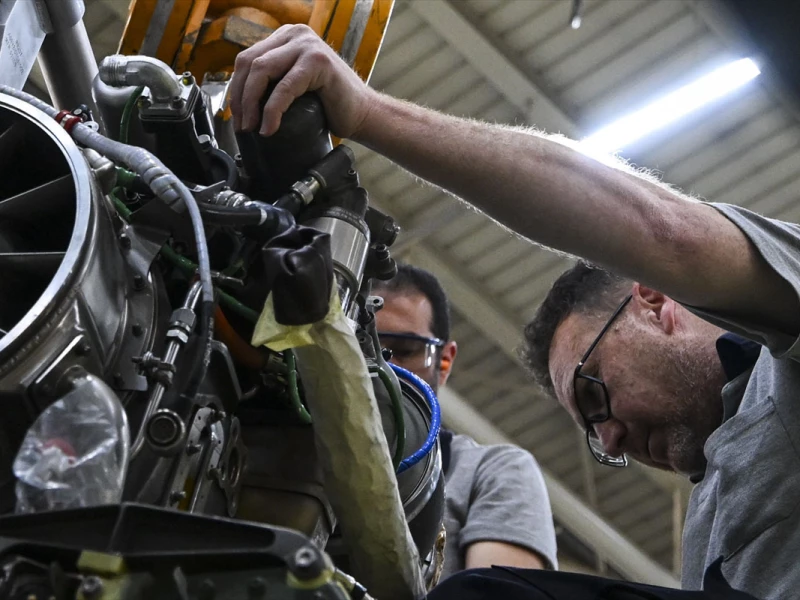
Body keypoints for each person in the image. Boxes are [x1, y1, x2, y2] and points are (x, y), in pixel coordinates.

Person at [229, 25, 800, 598]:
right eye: (595, 433)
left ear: (651, 300)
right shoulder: (707, 530)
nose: (612, 439)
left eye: (594, 395)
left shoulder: (786, 357)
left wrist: (368, 114)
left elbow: (664, 231)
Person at [372, 263, 558, 580]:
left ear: (444, 361)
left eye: (404, 350)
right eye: (364, 346)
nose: (382, 366)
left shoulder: (489, 473)